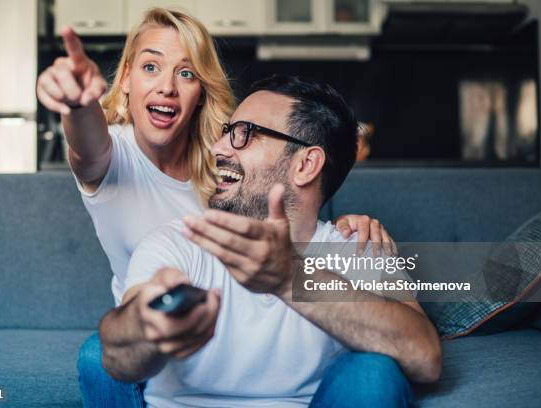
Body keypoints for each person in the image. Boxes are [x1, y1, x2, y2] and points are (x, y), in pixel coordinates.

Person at [36, 8, 398, 406]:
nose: (167, 87)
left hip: (228, 327)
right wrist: (77, 105)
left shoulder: (222, 157)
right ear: (125, 80)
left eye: (186, 73)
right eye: (151, 67)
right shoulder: (113, 154)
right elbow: (87, 145)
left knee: (372, 366)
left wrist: (345, 226)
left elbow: (285, 198)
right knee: (96, 355)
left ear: (201, 92)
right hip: (147, 332)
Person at [99, 75, 442, 407]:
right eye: (226, 132)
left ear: (306, 164)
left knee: (373, 373)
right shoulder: (178, 242)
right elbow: (116, 358)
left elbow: (425, 358)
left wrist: (289, 277)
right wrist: (147, 325)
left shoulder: (355, 246)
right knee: (95, 352)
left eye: (244, 134)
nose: (218, 148)